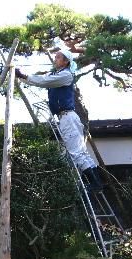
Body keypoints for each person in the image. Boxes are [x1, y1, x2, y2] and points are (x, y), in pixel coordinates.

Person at [15, 50, 103, 192]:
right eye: (55, 57)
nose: (55, 59)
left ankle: (95, 183)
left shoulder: (66, 75)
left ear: (66, 61)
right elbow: (41, 79)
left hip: (67, 117)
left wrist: (23, 75)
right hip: (66, 117)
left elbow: (43, 81)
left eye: (58, 57)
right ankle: (97, 183)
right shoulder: (55, 74)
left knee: (76, 153)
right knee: (81, 153)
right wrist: (21, 77)